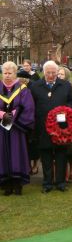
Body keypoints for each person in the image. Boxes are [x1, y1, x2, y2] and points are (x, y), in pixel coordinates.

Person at [30, 61, 72, 193]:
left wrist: (66, 111)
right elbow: (31, 106)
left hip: (61, 127)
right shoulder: (35, 86)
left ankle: (61, 182)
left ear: (57, 72)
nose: (51, 75)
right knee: (46, 156)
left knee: (61, 155)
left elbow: (71, 102)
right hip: (43, 127)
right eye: (48, 72)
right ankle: (47, 183)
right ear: (43, 72)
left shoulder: (66, 86)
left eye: (53, 73)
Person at [0, 61, 35, 195]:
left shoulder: (23, 89)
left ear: (15, 74)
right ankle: (6, 185)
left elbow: (29, 108)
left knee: (17, 154)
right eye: (5, 73)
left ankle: (17, 184)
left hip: (16, 129)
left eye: (10, 73)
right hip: (1, 130)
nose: (7, 76)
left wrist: (13, 116)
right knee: (2, 155)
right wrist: (2, 114)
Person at [17, 70, 40, 176]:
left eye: (21, 79)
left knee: (33, 144)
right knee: (25, 144)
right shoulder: (17, 88)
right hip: (20, 120)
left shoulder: (33, 88)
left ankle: (35, 164)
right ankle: (28, 165)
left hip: (33, 118)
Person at [57, 66, 72, 183]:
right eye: (58, 74)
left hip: (69, 120)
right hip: (56, 121)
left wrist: (66, 111)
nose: (59, 76)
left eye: (62, 74)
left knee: (70, 149)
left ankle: (71, 171)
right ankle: (61, 173)